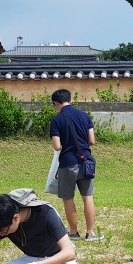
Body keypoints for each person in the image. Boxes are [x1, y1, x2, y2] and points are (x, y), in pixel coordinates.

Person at [50, 88, 102, 241]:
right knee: (88, 196)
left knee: (68, 198)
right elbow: (92, 141)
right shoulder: (85, 116)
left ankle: (73, 232)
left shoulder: (56, 120)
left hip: (67, 163)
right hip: (86, 162)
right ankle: (91, 232)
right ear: (71, 100)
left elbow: (57, 146)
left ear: (55, 103)